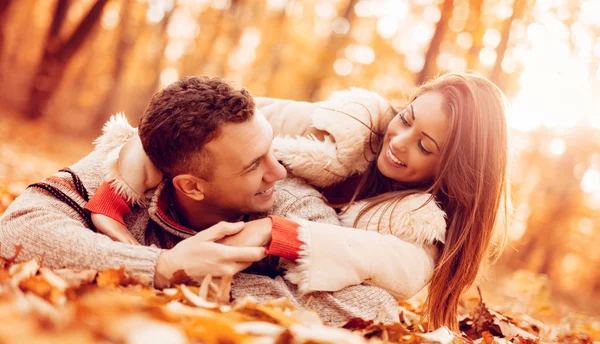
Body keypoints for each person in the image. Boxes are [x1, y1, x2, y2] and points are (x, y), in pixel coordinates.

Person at [0, 76, 438, 326]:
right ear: (190, 185)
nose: (280, 170)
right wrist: (162, 267)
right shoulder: (127, 169)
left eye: (272, 149)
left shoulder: (292, 200)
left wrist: (215, 283)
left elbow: (374, 307)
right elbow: (18, 228)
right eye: (253, 165)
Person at [89, 72, 509, 330]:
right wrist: (114, 198)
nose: (398, 142)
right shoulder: (344, 127)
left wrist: (278, 232)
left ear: (452, 170)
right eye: (407, 117)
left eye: (425, 145)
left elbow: (395, 278)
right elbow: (193, 120)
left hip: (276, 259)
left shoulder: (417, 222)